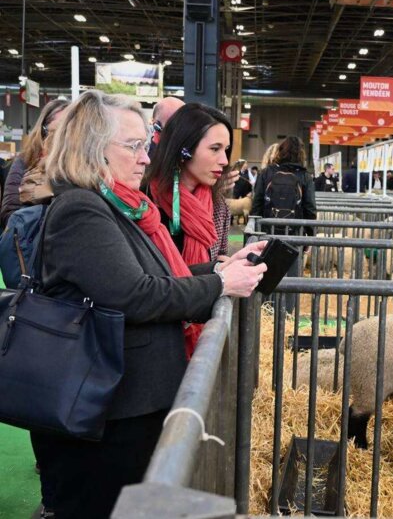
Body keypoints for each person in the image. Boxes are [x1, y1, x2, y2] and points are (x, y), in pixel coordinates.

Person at [34, 90, 267, 519]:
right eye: (133, 146)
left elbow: (158, 280)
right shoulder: (81, 210)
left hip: (127, 404)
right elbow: (136, 295)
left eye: (146, 144)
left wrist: (218, 271)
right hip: (108, 413)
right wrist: (218, 284)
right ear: (92, 148)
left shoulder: (118, 206)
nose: (146, 157)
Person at [146, 104, 233, 270]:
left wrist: (225, 266)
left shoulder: (219, 207)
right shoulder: (143, 200)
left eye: (226, 149)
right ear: (184, 149)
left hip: (202, 293)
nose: (224, 160)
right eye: (215, 149)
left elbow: (219, 254)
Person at [250, 135, 317, 312]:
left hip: (268, 233)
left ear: (280, 151)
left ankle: (265, 310)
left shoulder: (267, 173)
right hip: (294, 233)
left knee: (267, 273)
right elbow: (310, 208)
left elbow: (256, 203)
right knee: (292, 274)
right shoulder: (305, 176)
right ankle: (288, 312)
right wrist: (310, 236)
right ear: (301, 154)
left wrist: (255, 230)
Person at [0, 98, 69, 228]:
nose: (63, 138)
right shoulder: (25, 160)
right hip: (32, 241)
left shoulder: (81, 165)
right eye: (57, 131)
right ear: (43, 131)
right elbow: (9, 214)